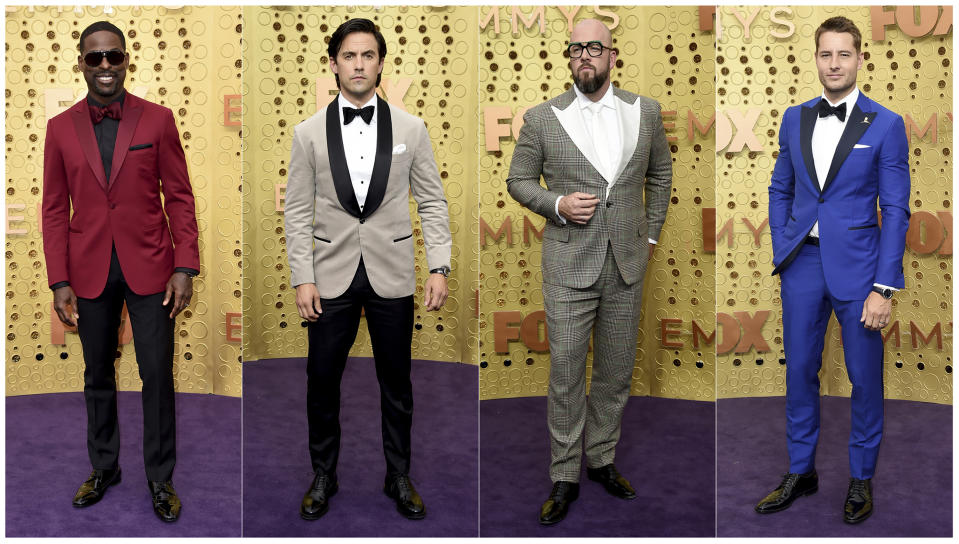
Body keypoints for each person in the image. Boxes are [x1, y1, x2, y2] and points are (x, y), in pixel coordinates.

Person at [284, 18, 452, 521]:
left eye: (368, 56)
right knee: (322, 381)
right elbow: (295, 211)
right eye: (349, 56)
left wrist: (439, 266)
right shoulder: (307, 133)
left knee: (396, 381)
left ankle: (398, 474)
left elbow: (433, 202)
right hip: (328, 275)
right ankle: (323, 474)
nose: (359, 65)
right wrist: (302, 275)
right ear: (333, 63)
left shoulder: (412, 128)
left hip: (392, 272)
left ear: (381, 63)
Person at [505, 18, 672, 525]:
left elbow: (660, 173)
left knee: (616, 373)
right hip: (568, 266)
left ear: (612, 56)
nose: (584, 56)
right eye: (576, 48)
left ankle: (600, 459)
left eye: (594, 47)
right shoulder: (541, 118)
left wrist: (648, 237)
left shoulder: (645, 112)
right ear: (569, 57)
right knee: (566, 374)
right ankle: (564, 475)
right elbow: (517, 181)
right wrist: (556, 203)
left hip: (626, 264)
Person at [42, 20, 199, 522]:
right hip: (87, 272)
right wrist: (59, 279)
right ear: (81, 63)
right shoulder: (59, 128)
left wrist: (184, 265)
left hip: (151, 267)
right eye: (95, 58)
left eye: (114, 57)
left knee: (156, 375)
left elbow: (178, 194)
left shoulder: (157, 120)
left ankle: (160, 477)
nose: (105, 66)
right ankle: (104, 467)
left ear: (127, 60)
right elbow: (52, 208)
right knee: (96, 374)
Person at [757, 16, 910, 524]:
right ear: (816, 57)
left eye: (844, 54)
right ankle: (801, 471)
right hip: (803, 265)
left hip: (861, 273)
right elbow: (781, 187)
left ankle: (861, 478)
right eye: (826, 54)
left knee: (865, 380)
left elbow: (897, 210)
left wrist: (884, 287)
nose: (835, 64)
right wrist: (784, 243)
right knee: (800, 371)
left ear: (860, 58)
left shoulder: (886, 124)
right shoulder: (795, 117)